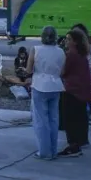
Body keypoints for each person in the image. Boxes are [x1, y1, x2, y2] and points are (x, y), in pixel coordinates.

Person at [27, 26, 65, 160]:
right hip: (56, 85)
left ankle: (44, 152)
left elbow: (29, 70)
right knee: (54, 119)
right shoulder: (61, 51)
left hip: (40, 85)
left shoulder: (35, 49)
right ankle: (53, 151)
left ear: (42, 36)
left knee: (41, 120)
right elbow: (62, 71)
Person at [59, 28, 91, 157]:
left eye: (69, 39)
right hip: (83, 90)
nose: (66, 41)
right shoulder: (82, 53)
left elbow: (63, 72)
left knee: (70, 119)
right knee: (81, 116)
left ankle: (73, 146)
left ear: (75, 41)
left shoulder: (71, 55)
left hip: (73, 90)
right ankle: (82, 140)